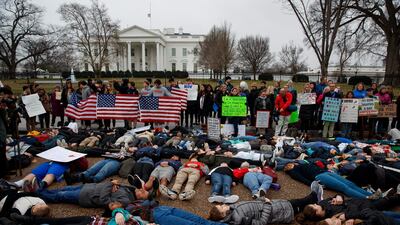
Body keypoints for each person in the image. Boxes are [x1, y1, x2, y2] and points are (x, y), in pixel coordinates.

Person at [208, 181, 324, 224]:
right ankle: (316, 198)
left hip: (275, 205)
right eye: (222, 207)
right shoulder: (240, 219)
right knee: (299, 204)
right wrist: (267, 204)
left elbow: (252, 205)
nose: (224, 204)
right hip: (279, 212)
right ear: (224, 214)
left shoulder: (232, 208)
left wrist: (261, 199)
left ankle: (314, 197)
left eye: (221, 204)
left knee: (298, 201)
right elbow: (262, 222)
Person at [36, 179, 149, 208]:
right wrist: (113, 185)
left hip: (86, 197)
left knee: (60, 196)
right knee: (61, 190)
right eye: (144, 189)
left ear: (141, 200)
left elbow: (104, 200)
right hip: (88, 187)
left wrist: (110, 185)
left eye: (144, 193)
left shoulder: (125, 200)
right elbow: (118, 184)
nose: (142, 190)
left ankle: (37, 194)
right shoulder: (129, 190)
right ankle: (40, 191)